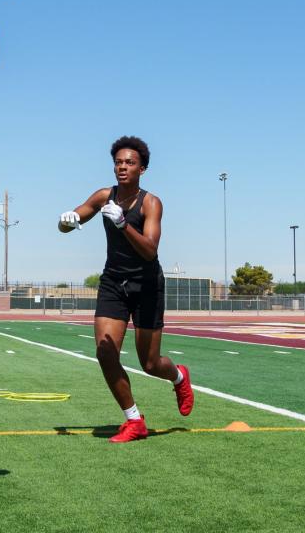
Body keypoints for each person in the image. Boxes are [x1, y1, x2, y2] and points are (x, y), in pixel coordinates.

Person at [58, 136, 193, 442]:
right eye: (118, 162)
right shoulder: (105, 196)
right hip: (113, 283)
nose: (122, 167)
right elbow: (73, 218)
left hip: (146, 286)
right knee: (105, 352)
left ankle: (179, 377)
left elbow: (150, 250)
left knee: (150, 363)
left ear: (142, 168)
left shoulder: (151, 203)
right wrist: (66, 221)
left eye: (129, 163)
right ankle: (134, 420)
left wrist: (123, 225)